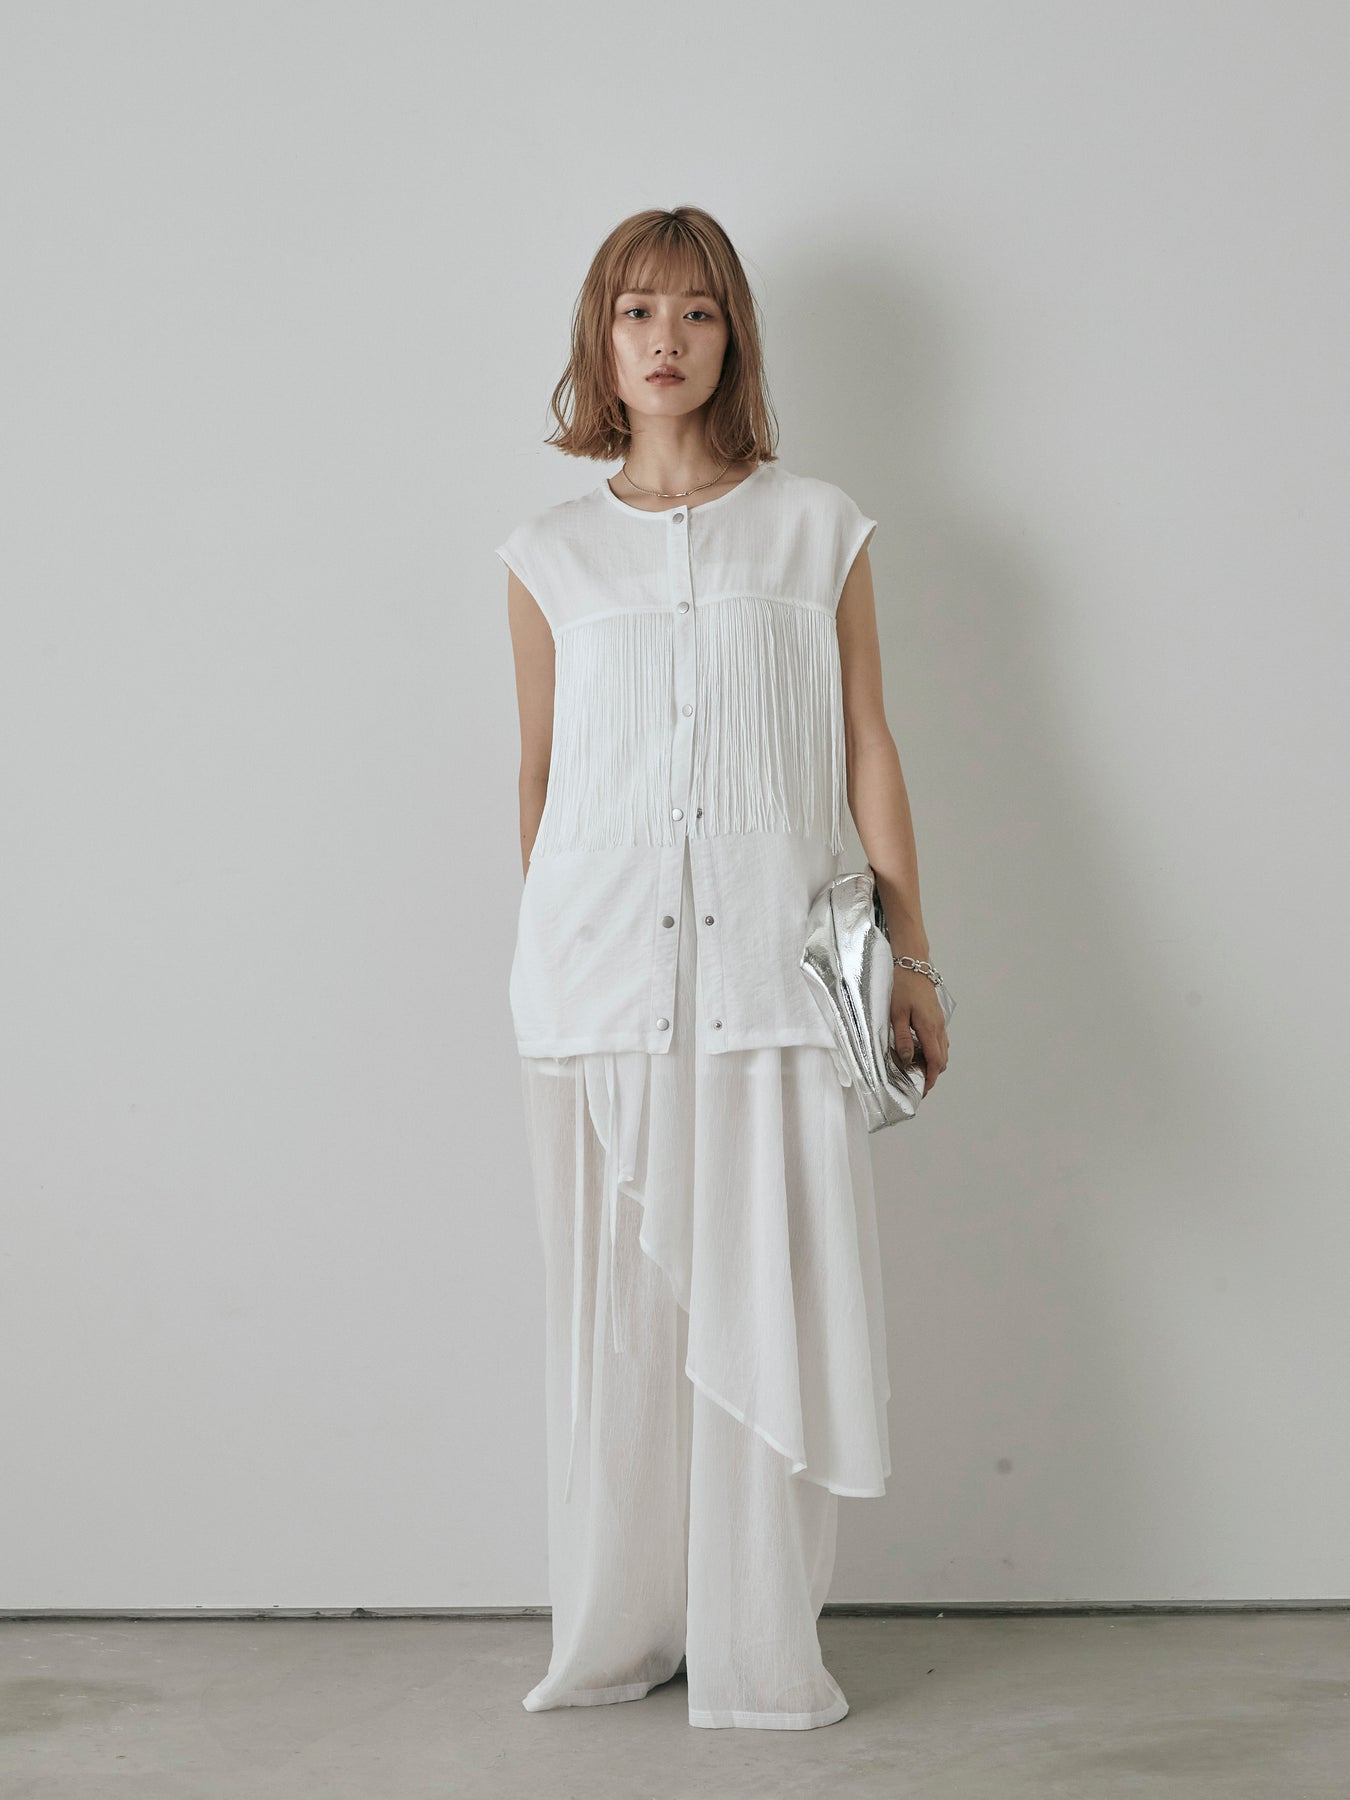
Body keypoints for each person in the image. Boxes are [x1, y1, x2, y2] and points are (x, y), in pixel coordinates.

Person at [496, 205, 949, 1732]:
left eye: (694, 312)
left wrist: (910, 955)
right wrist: (558, 947)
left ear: (732, 337)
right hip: (598, 984)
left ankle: (756, 1648)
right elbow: (539, 772)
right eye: (635, 312)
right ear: (600, 339)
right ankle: (620, 1631)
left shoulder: (818, 528)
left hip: (773, 973)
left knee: (770, 1302)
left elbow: (867, 744)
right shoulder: (547, 554)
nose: (665, 340)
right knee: (622, 1317)